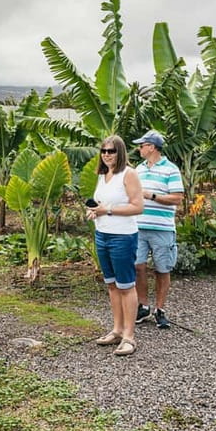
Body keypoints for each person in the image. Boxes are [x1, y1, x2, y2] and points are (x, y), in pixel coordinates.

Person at [86, 135, 143, 356]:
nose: (107, 155)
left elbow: (138, 207)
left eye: (112, 151)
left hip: (123, 236)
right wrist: (94, 211)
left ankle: (129, 336)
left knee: (126, 285)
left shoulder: (129, 174)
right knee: (111, 284)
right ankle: (117, 329)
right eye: (104, 151)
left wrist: (107, 210)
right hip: (103, 234)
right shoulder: (103, 175)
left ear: (120, 152)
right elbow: (101, 204)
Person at [133, 130, 184, 329]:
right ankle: (143, 305)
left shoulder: (171, 170)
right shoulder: (138, 169)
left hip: (162, 228)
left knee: (162, 269)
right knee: (138, 266)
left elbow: (177, 197)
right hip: (138, 227)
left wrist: (151, 196)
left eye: (142, 145)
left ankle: (160, 310)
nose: (139, 149)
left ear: (152, 147)